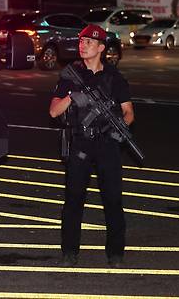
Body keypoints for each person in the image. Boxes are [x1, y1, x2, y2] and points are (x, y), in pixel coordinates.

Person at [49, 24, 134, 268]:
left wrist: (119, 131)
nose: (82, 45)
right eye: (81, 41)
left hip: (107, 144)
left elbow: (129, 113)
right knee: (74, 199)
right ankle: (69, 252)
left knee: (113, 200)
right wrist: (74, 97)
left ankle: (115, 254)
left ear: (101, 48)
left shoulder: (114, 78)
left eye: (88, 42)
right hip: (81, 143)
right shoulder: (70, 76)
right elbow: (54, 111)